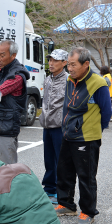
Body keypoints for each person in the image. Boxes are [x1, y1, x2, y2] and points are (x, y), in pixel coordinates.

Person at [54, 47, 112, 224]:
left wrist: (94, 130)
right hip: (68, 134)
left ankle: (88, 211)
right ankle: (66, 204)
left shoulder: (98, 83)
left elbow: (106, 112)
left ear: (86, 64)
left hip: (87, 138)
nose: (69, 69)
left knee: (86, 176)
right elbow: (67, 107)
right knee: (64, 171)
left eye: (73, 65)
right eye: (68, 65)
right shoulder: (71, 80)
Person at [39, 49, 68, 205]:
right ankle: (49, 188)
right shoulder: (48, 79)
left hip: (60, 126)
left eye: (55, 60)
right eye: (50, 60)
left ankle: (60, 191)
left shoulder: (68, 80)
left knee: (60, 160)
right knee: (49, 159)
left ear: (64, 63)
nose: (51, 63)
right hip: (47, 125)